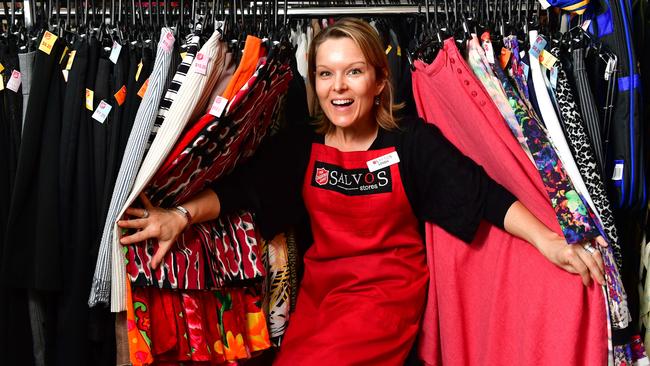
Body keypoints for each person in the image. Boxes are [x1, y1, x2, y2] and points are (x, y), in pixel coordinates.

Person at [118, 18, 607, 365]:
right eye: (326, 74)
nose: (338, 88)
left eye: (353, 71)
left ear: (378, 80)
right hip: (322, 299)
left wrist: (547, 239)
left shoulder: (412, 144)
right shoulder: (302, 145)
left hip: (385, 302)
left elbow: (481, 195)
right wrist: (179, 216)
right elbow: (245, 191)